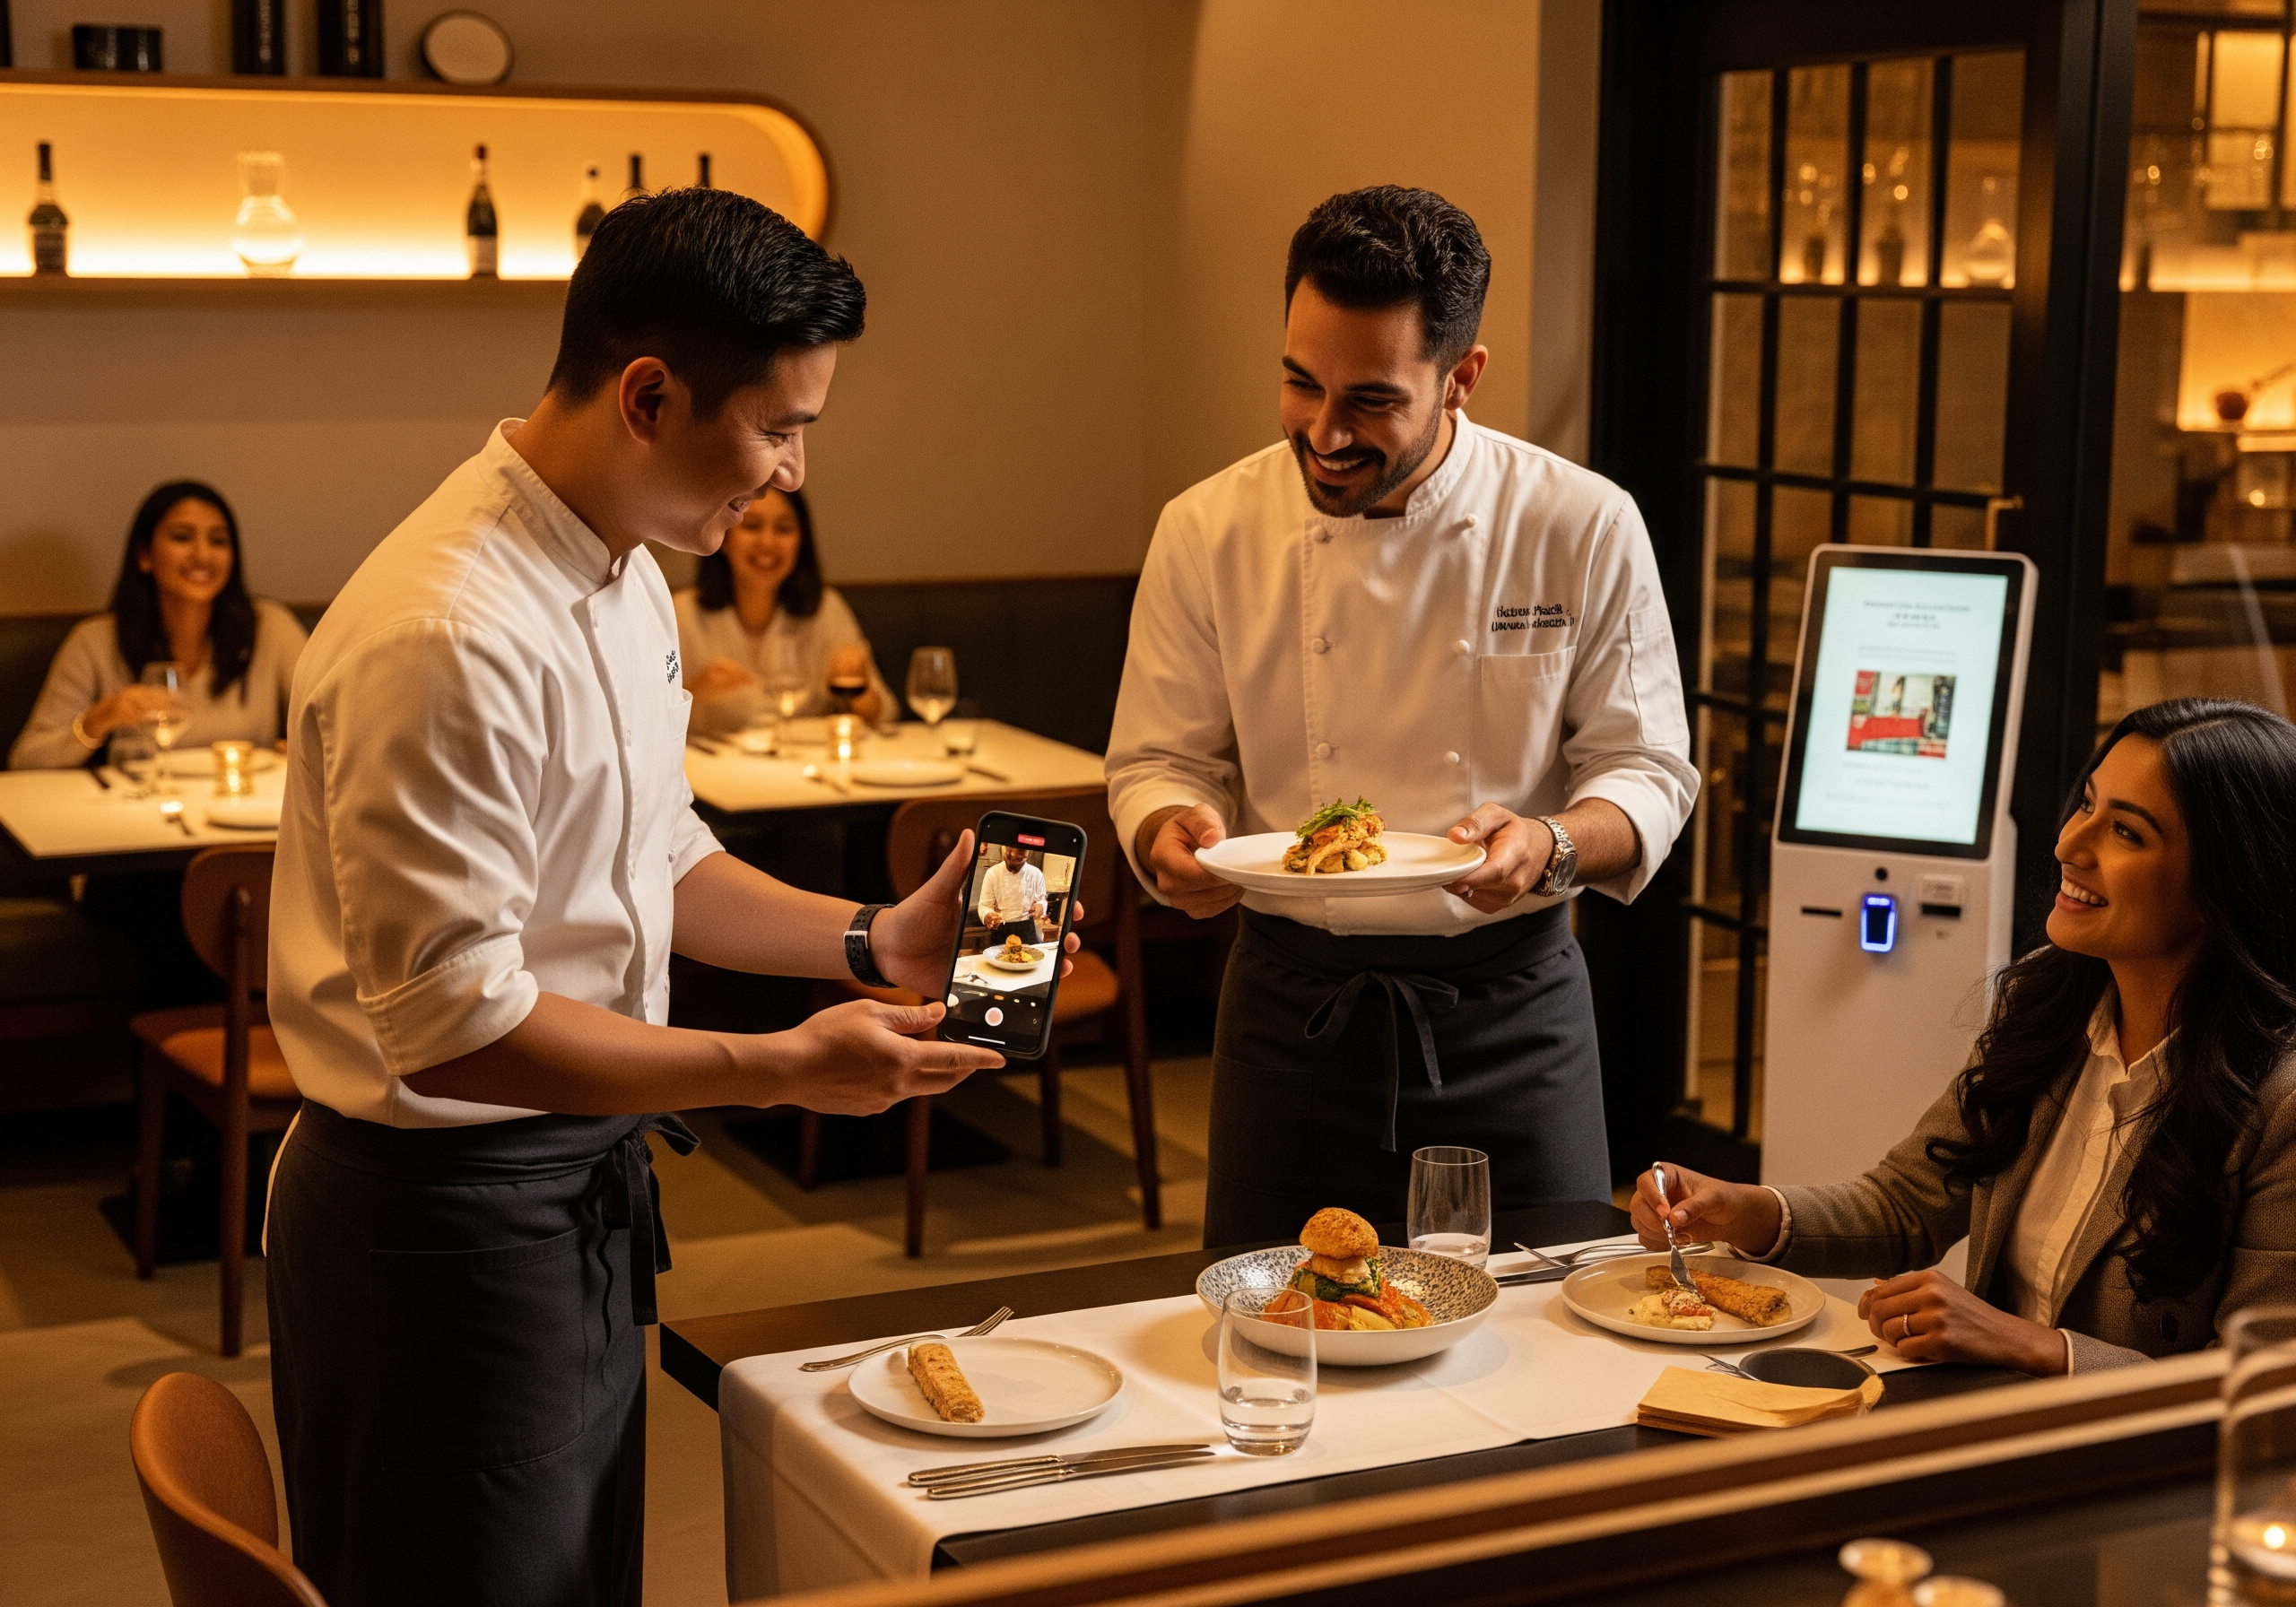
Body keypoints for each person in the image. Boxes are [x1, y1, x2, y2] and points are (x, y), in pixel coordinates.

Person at [264, 187, 1074, 1607]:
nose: (797, 473)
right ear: (648, 394)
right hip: (440, 1227)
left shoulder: (628, 569)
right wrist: (771, 1068)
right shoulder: (449, 630)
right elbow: (453, 1026)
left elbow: (658, 856)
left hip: (567, 1190)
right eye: (781, 425)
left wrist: (865, 940)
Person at [1107, 186, 1698, 1247]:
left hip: (1512, 1013)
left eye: (1371, 399)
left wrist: (1550, 842)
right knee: (1271, 1340)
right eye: (1299, 382)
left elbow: (1646, 765)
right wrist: (1170, 832)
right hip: (1291, 1012)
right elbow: (1158, 757)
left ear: (1461, 377)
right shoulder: (1207, 526)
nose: (1323, 432)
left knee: (1541, 1354)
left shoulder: (1578, 521)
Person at [1634, 699, 2296, 1375]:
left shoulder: (2282, 1100)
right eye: (2087, 804)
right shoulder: (2051, 1000)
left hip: (2134, 1470)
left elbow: (2266, 1387)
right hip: (1983, 1424)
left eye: (2125, 831)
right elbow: (1906, 1204)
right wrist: (1744, 1210)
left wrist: (2038, 1347)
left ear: (2231, 879)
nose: (2070, 843)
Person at [10, 480, 307, 769]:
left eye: (218, 541)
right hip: (135, 811)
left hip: (244, 807)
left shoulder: (271, 627)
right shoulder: (96, 641)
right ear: (144, 556)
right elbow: (27, 759)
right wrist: (98, 720)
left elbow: (326, 718)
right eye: (182, 537)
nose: (202, 555)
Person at [674, 482, 891, 734]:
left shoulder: (825, 609)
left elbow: (883, 715)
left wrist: (857, 686)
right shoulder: (683, 616)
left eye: (784, 529)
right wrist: (695, 692)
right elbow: (646, 728)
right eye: (752, 526)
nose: (768, 542)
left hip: (805, 767)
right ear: (722, 536)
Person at [978, 842, 1048, 946]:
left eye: (1019, 861)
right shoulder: (992, 873)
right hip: (1001, 929)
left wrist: (1040, 906)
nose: (1012, 870)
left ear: (1026, 856)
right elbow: (984, 905)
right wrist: (987, 915)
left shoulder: (1036, 874)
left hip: (1027, 928)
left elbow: (1042, 900)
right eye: (1008, 861)